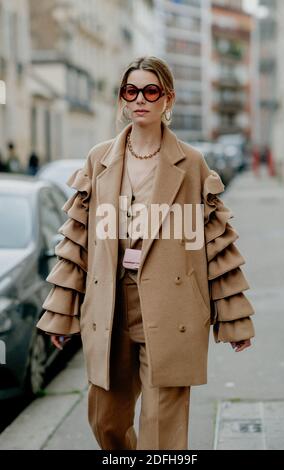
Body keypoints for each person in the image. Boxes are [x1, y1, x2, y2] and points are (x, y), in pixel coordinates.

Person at [36, 56, 255, 450]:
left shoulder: (191, 163)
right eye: (131, 91)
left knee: (162, 430)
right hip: (111, 304)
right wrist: (61, 313)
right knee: (106, 420)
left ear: (167, 99)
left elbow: (215, 241)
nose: (140, 99)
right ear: (122, 98)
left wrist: (234, 318)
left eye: (150, 91)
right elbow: (77, 241)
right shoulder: (99, 159)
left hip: (174, 309)